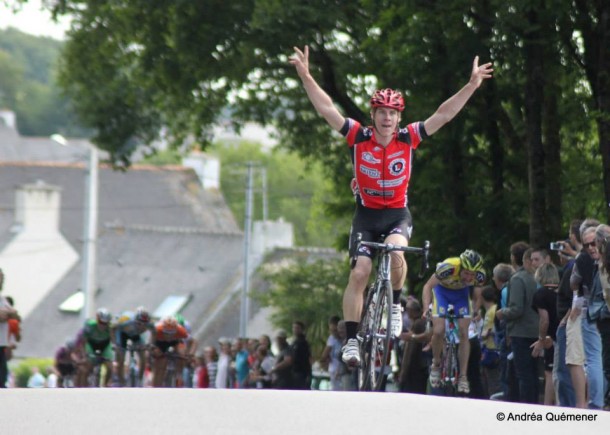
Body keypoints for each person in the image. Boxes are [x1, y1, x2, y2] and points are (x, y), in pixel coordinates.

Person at [289, 46, 493, 366]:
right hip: (366, 216)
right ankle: (353, 341)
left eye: (392, 113)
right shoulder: (358, 137)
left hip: (397, 213)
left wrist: (471, 85)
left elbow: (444, 114)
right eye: (381, 112)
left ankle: (395, 306)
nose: (387, 118)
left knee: (397, 252)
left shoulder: (409, 138)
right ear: (373, 115)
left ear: (399, 117)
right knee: (360, 273)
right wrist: (306, 75)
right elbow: (327, 108)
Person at [422, 249, 486, 394]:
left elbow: (478, 294)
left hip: (461, 296)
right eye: (466, 273)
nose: (469, 277)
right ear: (460, 268)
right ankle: (436, 364)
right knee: (438, 330)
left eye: (472, 274)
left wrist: (476, 310)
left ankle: (463, 376)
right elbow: (427, 286)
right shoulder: (448, 267)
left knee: (464, 332)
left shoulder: (480, 275)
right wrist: (426, 308)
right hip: (442, 293)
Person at [496, 241, 540, 404]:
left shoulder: (518, 279)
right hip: (536, 331)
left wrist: (502, 313)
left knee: (523, 374)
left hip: (520, 331)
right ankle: (535, 404)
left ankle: (525, 407)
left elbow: (516, 308)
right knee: (534, 373)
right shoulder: (536, 278)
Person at [569, 221, 604, 409]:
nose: (591, 248)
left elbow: (573, 283)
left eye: (594, 243)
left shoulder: (582, 260)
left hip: (594, 313)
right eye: (587, 244)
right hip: (595, 313)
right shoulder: (588, 260)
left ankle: (597, 403)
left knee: (594, 359)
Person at [554, 218, 582, 407]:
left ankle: (570, 409)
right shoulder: (575, 263)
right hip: (573, 318)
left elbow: (576, 294)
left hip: (571, 320)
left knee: (565, 369)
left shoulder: (575, 264)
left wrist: (565, 319)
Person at [531, 263, 560, 405]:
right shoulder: (561, 292)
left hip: (552, 337)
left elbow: (544, 320)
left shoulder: (540, 294)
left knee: (550, 372)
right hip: (566, 333)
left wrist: (541, 339)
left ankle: (547, 406)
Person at [490, 262, 515, 401]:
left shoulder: (505, 291)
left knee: (506, 366)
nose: (493, 279)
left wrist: (507, 334)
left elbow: (509, 313)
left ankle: (508, 395)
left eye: (494, 277)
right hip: (506, 331)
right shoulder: (509, 289)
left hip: (507, 332)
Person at [112, 307, 154, 387]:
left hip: (136, 335)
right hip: (122, 334)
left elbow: (154, 333)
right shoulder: (125, 320)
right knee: (120, 357)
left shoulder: (150, 324)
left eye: (144, 324)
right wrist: (115, 343)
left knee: (143, 357)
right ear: (134, 320)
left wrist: (150, 344)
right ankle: (122, 381)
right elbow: (113, 328)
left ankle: (140, 380)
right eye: (139, 323)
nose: (142, 326)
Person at [398, 298, 430, 394]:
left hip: (415, 366)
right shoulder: (418, 322)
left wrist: (403, 372)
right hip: (418, 367)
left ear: (411, 311)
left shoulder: (418, 323)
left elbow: (410, 346)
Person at [150, 316, 189, 387]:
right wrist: (154, 350)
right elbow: (151, 344)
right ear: (163, 329)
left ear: (176, 329)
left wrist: (185, 354)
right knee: (160, 363)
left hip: (175, 342)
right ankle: (156, 385)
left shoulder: (181, 331)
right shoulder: (156, 329)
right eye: (166, 333)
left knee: (181, 354)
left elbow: (187, 343)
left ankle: (179, 375)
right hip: (160, 343)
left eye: (172, 333)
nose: (169, 335)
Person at [79, 308, 114, 387]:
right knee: (88, 367)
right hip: (91, 344)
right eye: (101, 322)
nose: (102, 325)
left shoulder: (110, 328)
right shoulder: (90, 325)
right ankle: (83, 387)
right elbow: (83, 341)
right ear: (97, 319)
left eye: (105, 323)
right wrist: (85, 355)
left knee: (110, 367)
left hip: (105, 345)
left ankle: (105, 385)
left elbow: (113, 340)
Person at [479, 285, 501, 398]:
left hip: (491, 350)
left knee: (492, 382)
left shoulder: (490, 312)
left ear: (482, 298)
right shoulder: (496, 308)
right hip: (497, 349)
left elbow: (485, 333)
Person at [0, 268, 19, 388]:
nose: (2, 282)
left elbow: (15, 314)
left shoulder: (2, 299)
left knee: (2, 376)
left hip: (1, 343)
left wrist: (7, 313)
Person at [319, 315, 344, 391]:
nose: (333, 333)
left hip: (342, 371)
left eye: (335, 330)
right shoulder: (332, 338)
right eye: (331, 330)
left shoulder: (345, 338)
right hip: (333, 370)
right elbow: (324, 355)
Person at [290, 321, 312, 390]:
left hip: (302, 372)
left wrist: (308, 373)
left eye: (297, 328)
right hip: (294, 370)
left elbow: (307, 358)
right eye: (294, 328)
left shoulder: (303, 342)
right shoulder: (294, 342)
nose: (295, 330)